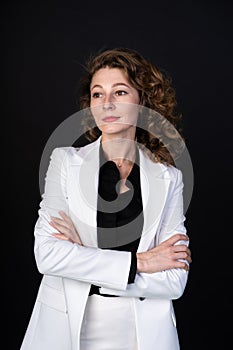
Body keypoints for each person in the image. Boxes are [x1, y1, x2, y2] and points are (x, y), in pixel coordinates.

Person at [20, 47, 192, 350]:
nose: (107, 103)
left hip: (144, 334)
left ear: (143, 101)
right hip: (70, 326)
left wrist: (82, 260)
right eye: (97, 94)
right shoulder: (64, 162)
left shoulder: (169, 178)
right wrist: (141, 262)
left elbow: (174, 280)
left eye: (120, 92)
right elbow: (47, 254)